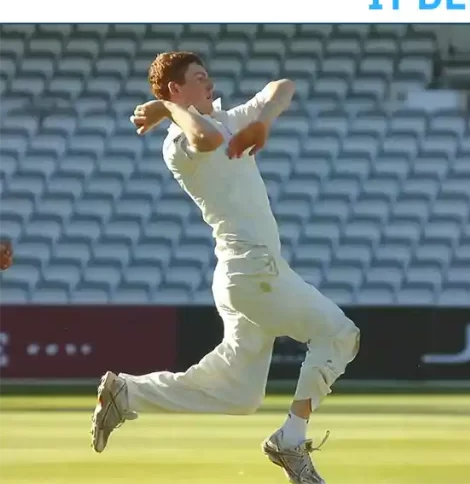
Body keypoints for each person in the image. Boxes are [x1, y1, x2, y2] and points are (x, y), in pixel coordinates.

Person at [90, 52, 361, 484]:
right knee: (340, 334)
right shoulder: (177, 143)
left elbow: (283, 87)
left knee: (240, 393)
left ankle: (127, 392)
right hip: (254, 273)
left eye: (208, 75)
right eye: (198, 79)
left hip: (248, 274)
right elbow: (206, 141)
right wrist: (168, 111)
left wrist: (265, 122)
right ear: (175, 90)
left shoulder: (228, 120)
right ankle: (291, 440)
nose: (209, 82)